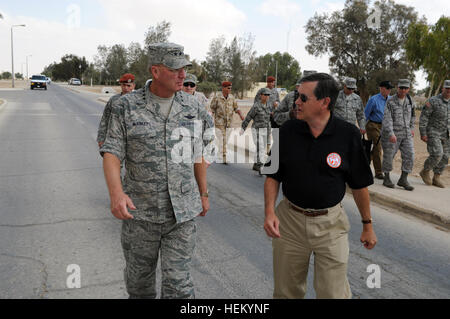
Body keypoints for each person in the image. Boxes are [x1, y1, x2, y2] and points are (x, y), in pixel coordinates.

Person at [99, 42, 215, 299]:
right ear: (155, 71)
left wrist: (203, 194)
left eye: (184, 68)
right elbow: (111, 152)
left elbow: (199, 154)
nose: (182, 75)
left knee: (179, 286)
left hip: (181, 215)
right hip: (140, 215)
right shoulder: (125, 107)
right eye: (174, 69)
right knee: (140, 286)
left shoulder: (193, 107)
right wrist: (116, 194)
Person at [263, 72, 377, 299]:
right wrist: (269, 212)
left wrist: (367, 225)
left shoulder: (348, 135)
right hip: (290, 223)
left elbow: (359, 185)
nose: (296, 102)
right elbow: (272, 175)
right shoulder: (287, 131)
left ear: (325, 102)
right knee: (286, 293)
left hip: (331, 225)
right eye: (297, 96)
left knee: (333, 293)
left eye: (303, 98)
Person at [381, 79, 416, 191]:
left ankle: (403, 179)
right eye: (401, 88)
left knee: (410, 155)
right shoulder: (390, 101)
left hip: (406, 134)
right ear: (398, 88)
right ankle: (386, 178)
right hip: (393, 134)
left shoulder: (410, 101)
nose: (403, 90)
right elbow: (387, 118)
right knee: (389, 155)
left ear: (408, 89)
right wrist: (391, 133)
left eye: (405, 88)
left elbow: (413, 116)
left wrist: (411, 128)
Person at [419, 79, 450, 188]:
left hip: (447, 134)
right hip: (433, 132)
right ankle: (425, 171)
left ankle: (436, 177)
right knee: (437, 154)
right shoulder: (433, 101)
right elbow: (423, 118)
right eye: (447, 88)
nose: (448, 91)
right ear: (443, 88)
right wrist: (423, 133)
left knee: (445, 156)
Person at [97, 73, 136, 148]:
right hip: (114, 140)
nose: (126, 88)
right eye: (123, 85)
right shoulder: (114, 100)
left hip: (132, 142)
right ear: (121, 85)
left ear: (133, 86)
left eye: (129, 85)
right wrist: (101, 139)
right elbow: (105, 119)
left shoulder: (139, 101)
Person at [209, 81, 244, 164]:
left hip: (229, 123)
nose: (230, 89)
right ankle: (222, 157)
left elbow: (236, 108)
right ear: (223, 88)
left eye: (230, 88)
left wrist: (241, 115)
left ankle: (220, 155)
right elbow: (212, 109)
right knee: (222, 139)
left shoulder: (232, 98)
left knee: (226, 140)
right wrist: (210, 117)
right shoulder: (217, 97)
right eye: (228, 88)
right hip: (219, 122)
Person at [364, 81, 394, 179]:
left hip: (385, 126)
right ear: (381, 88)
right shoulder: (373, 100)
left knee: (379, 149)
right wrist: (362, 127)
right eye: (387, 88)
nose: (389, 90)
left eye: (390, 88)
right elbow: (365, 114)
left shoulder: (391, 99)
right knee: (378, 147)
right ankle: (378, 172)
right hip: (373, 125)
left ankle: (364, 162)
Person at [241, 87, 272, 172]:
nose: (267, 96)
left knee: (261, 147)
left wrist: (269, 133)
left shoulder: (269, 106)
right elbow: (249, 116)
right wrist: (243, 128)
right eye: (265, 94)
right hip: (256, 129)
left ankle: (256, 164)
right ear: (261, 95)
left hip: (265, 130)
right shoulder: (256, 106)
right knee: (260, 147)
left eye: (268, 95)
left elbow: (269, 120)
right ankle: (260, 165)